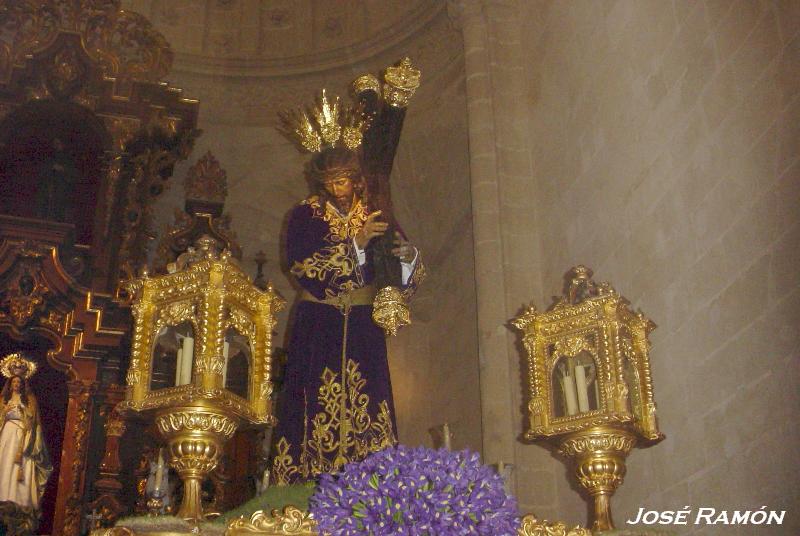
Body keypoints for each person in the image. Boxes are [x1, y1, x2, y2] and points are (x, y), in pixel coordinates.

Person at [271, 146, 423, 485]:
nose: (336, 188)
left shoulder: (375, 212)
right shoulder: (304, 215)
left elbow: (397, 271)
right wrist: (356, 243)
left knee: (369, 394)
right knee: (312, 395)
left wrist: (408, 256)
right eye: (329, 182)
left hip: (362, 324)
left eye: (342, 181)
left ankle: (371, 481)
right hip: (318, 320)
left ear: (356, 180)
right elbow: (303, 267)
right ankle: (304, 478)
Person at [0, 365, 51, 509]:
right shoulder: (3, 399)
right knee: (5, 460)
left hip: (23, 434)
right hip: (7, 433)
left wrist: (24, 412)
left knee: (21, 463)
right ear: (10, 384)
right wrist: (4, 412)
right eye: (14, 382)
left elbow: (33, 420)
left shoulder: (29, 400)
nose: (16, 384)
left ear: (23, 384)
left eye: (19, 382)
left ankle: (18, 499)